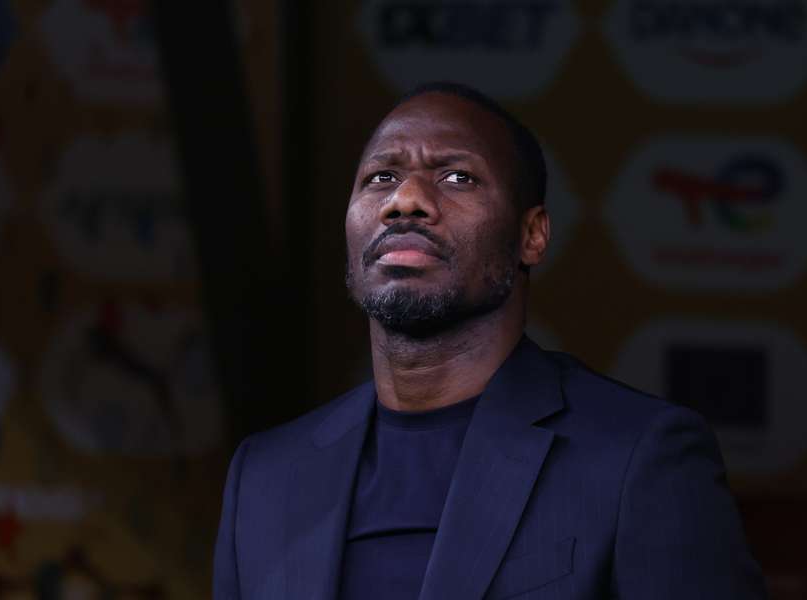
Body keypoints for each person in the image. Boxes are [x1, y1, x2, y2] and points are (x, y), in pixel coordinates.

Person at [213, 82, 768, 600]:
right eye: (380, 177)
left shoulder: (639, 457)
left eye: (457, 177)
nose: (405, 199)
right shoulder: (265, 474)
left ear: (532, 235)